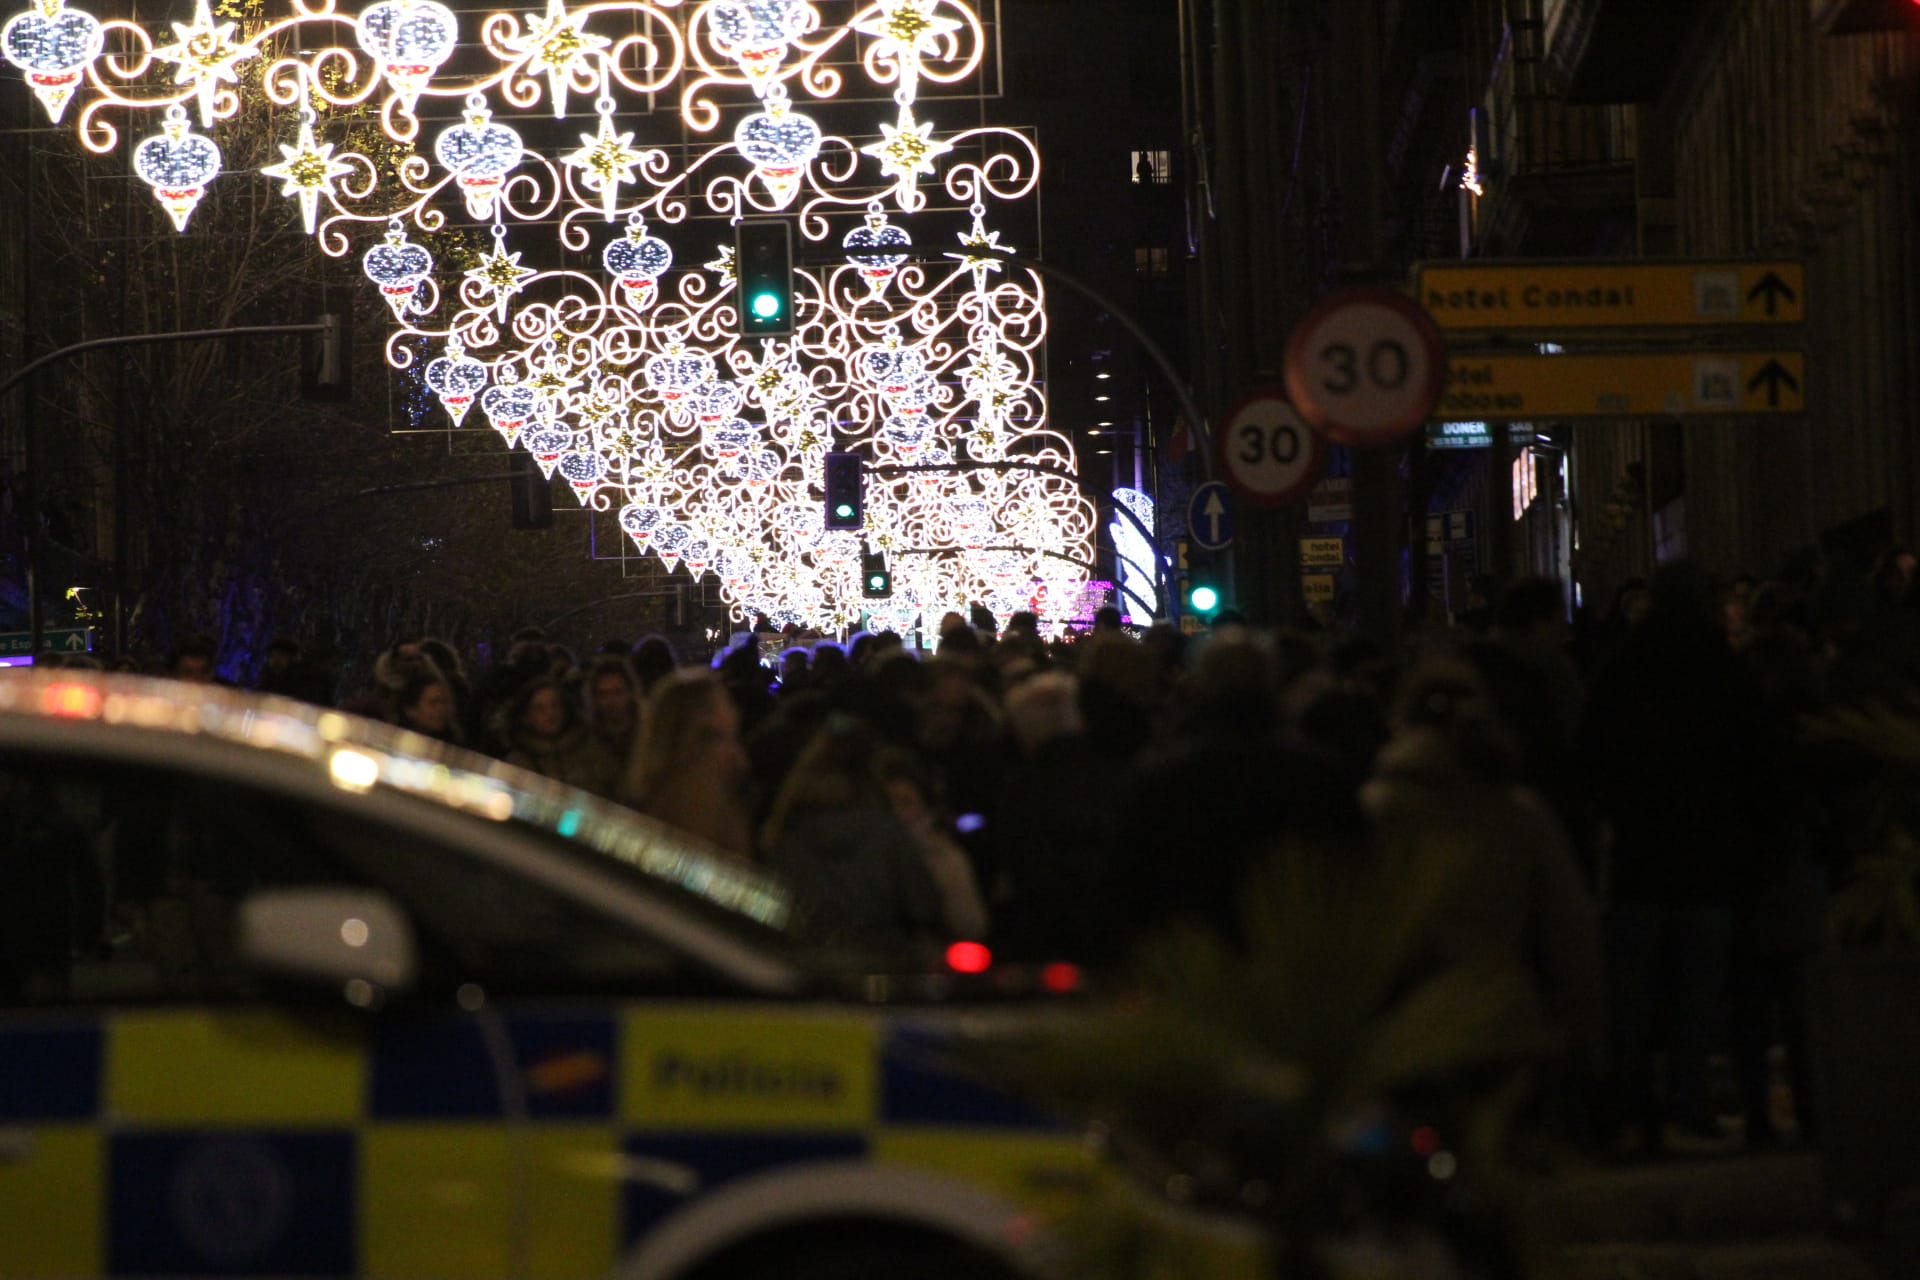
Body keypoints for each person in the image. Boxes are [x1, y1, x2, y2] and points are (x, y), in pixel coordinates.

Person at [760, 716, 946, 955]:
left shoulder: (784, 832)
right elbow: (924, 906)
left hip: (808, 967)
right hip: (880, 969)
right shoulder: (886, 833)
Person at [623, 670, 752, 858]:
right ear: (706, 718)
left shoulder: (654, 786)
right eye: (726, 703)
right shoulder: (699, 796)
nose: (735, 713)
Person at [498, 676, 620, 797]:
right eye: (539, 709)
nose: (550, 713)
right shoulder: (519, 761)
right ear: (527, 717)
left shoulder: (590, 747)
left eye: (554, 705)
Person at [582, 656, 642, 765]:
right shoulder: (586, 740)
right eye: (603, 694)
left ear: (631, 693)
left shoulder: (646, 734)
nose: (611, 701)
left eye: (618, 692)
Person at [394, 670, 463, 746]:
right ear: (411, 710)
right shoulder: (394, 742)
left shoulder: (454, 745)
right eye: (433, 703)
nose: (441, 709)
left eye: (444, 702)